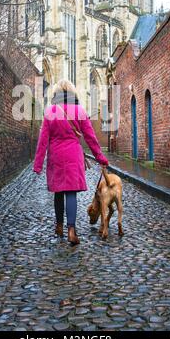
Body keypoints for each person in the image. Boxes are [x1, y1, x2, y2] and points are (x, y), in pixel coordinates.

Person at [33, 79, 109, 246]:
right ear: (72, 92)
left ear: (56, 93)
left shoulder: (50, 111)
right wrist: (101, 158)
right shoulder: (80, 111)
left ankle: (59, 227)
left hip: (56, 157)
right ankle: (71, 230)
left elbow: (42, 140)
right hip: (74, 156)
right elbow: (91, 138)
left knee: (58, 192)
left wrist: (38, 164)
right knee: (71, 193)